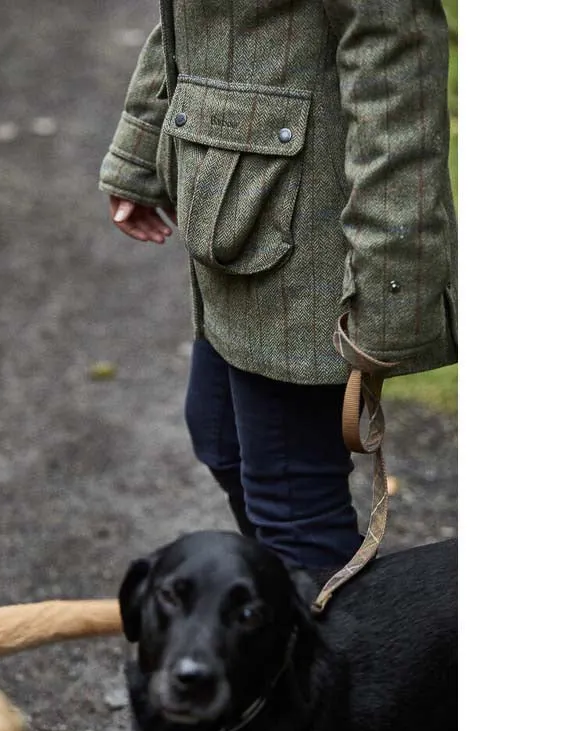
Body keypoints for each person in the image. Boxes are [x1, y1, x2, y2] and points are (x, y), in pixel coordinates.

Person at [99, 0, 457, 578]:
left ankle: (338, 655)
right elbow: (186, 24)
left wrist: (391, 289)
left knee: (294, 510)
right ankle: (313, 627)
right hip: (235, 204)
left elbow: (398, 65)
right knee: (224, 445)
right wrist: (141, 145)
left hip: (304, 233)